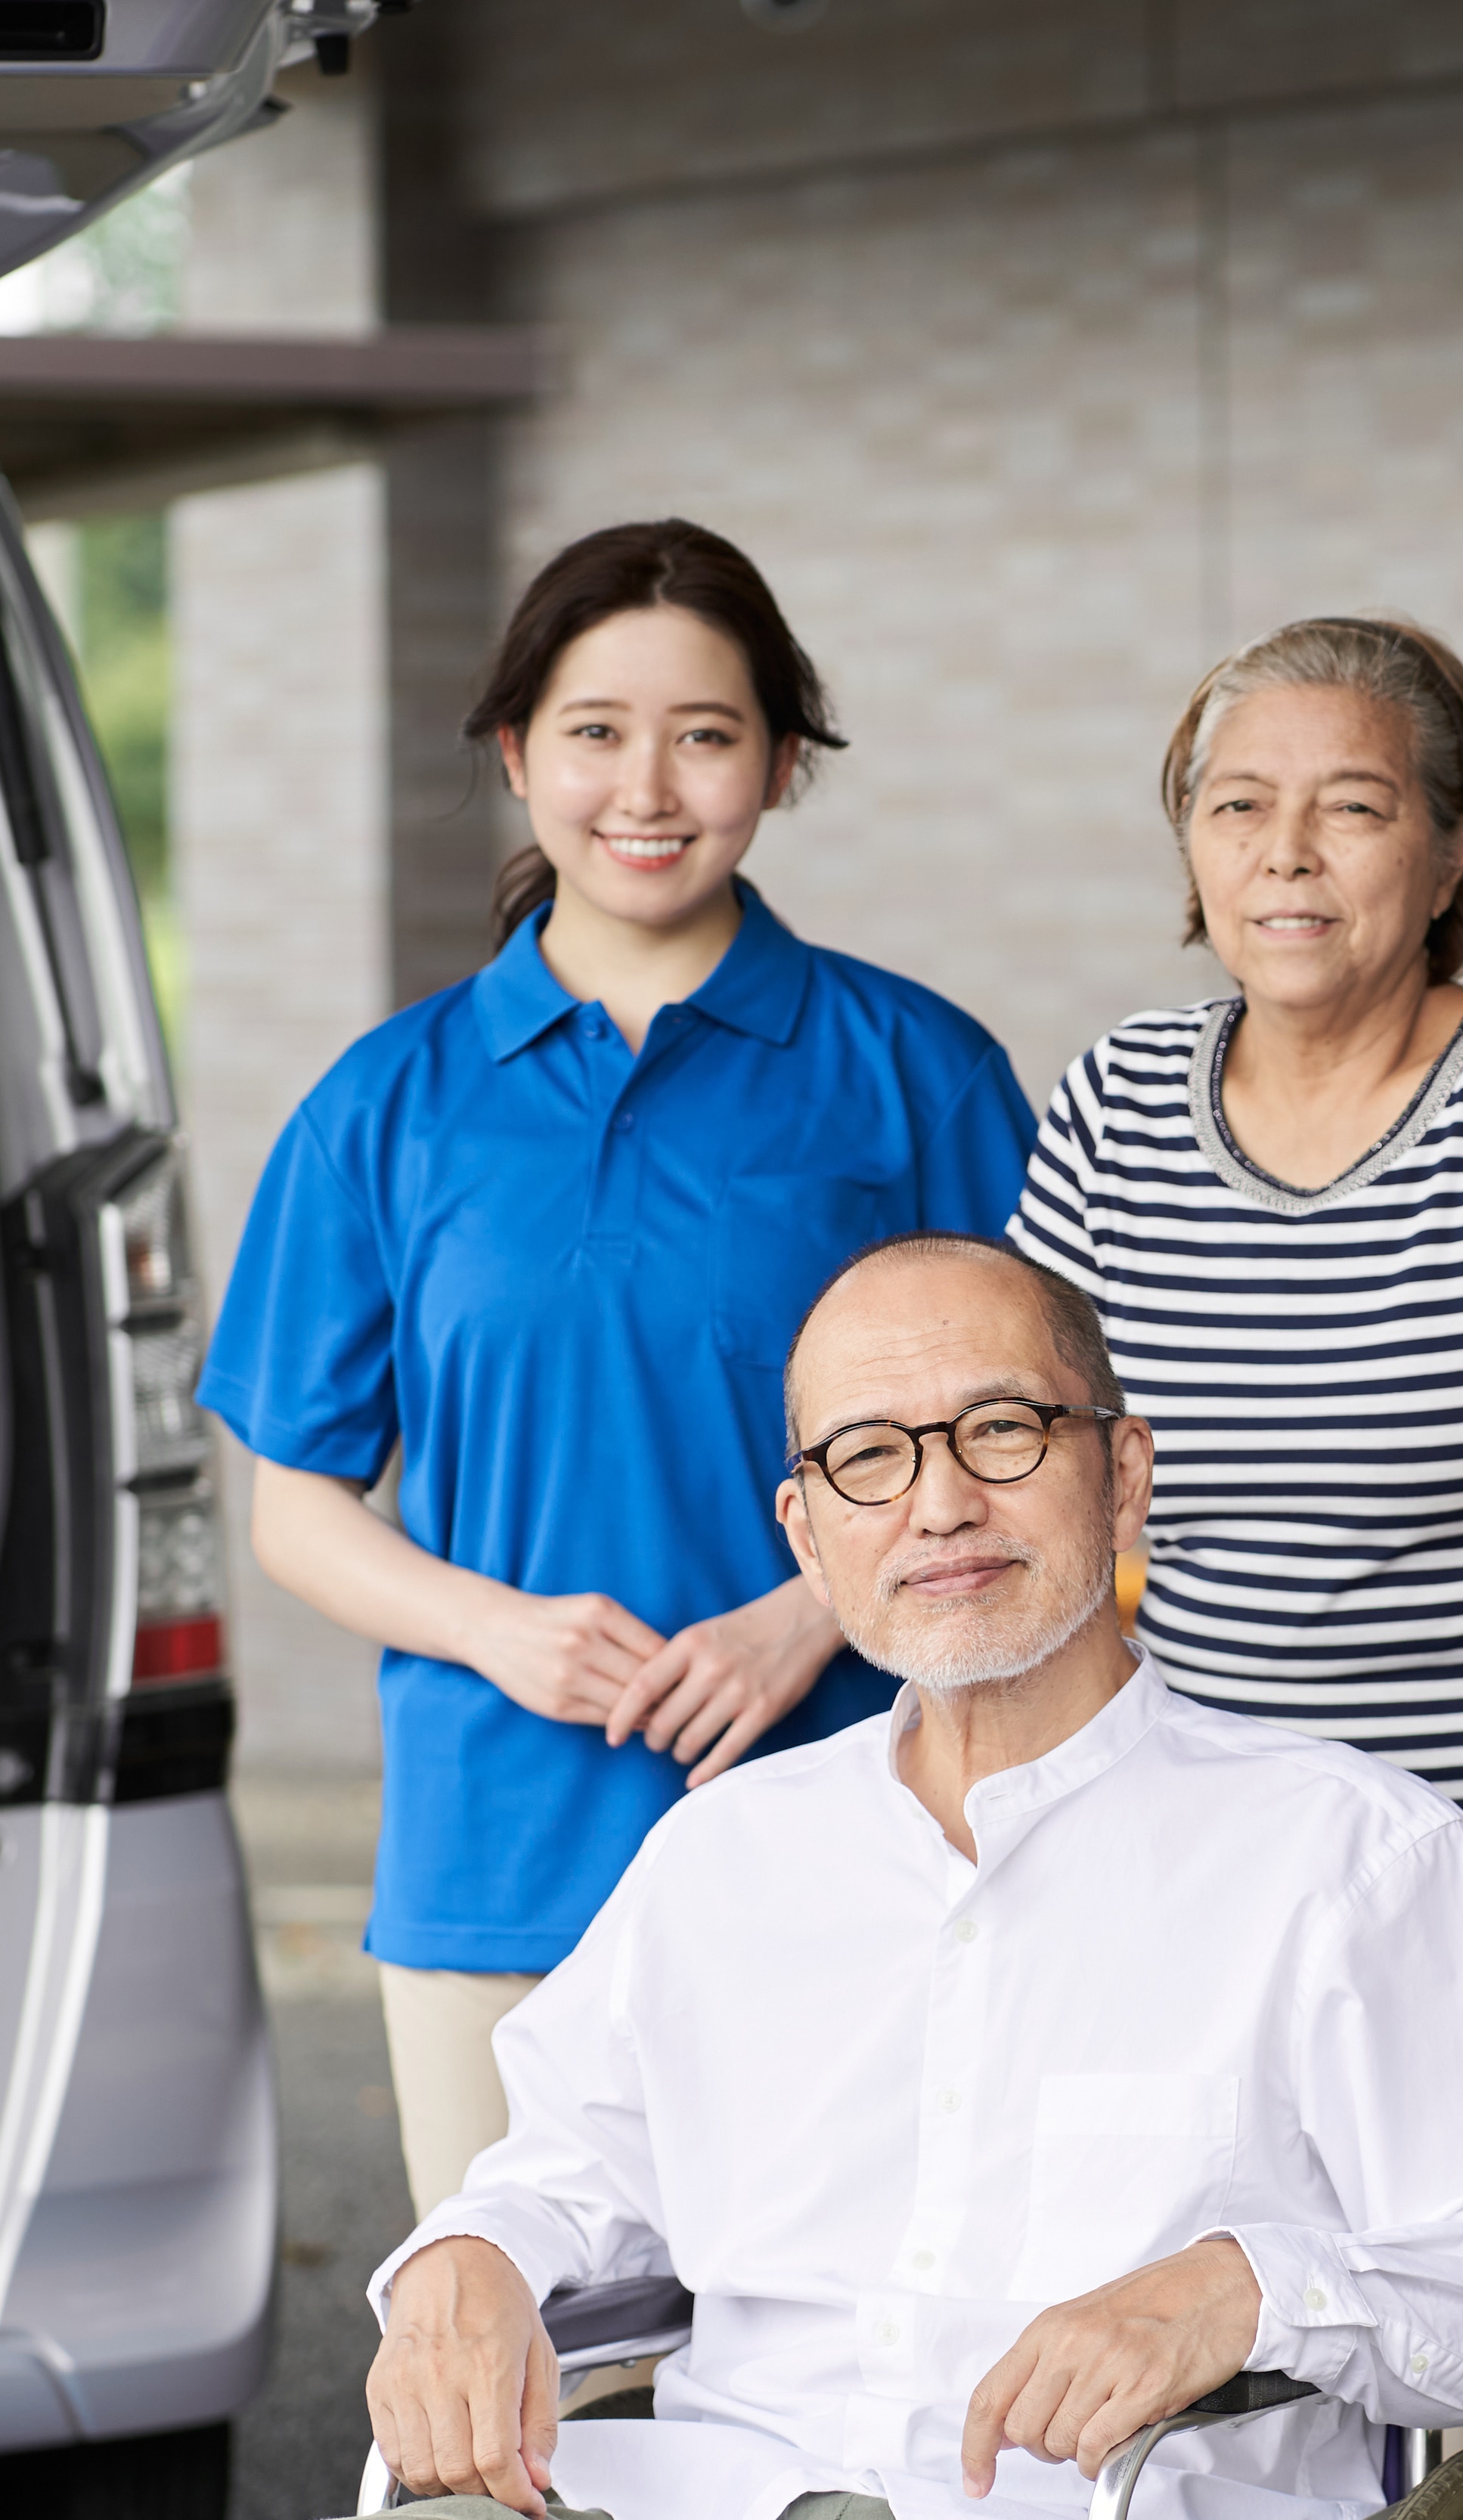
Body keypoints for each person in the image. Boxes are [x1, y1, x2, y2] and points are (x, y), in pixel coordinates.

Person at [361, 1233, 1463, 2520]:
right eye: (869, 1455)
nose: (941, 1501)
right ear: (806, 1535)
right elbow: (567, 2168)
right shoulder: (721, 1855)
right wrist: (470, 2253)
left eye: (1004, 1429)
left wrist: (1253, 2283)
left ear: (1122, 1475)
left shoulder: (1356, 1857)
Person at [200, 521, 1036, 2218]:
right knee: (519, 2412)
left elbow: (1043, 1454)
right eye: (593, 730)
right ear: (517, 755)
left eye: (706, 733)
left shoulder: (915, 1073)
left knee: (834, 2395)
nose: (644, 784)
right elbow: (293, 1501)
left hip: (856, 1836)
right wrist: (495, 1624)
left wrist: (817, 1611)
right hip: (495, 1861)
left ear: (782, 764)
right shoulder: (389, 1102)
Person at [1003, 616, 1463, 2481]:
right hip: (1223, 1896)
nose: (1285, 852)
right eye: (1238, 806)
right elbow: (1041, 1469)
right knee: (1233, 2420)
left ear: (1455, 848)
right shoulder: (1119, 1103)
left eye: (1351, 805)